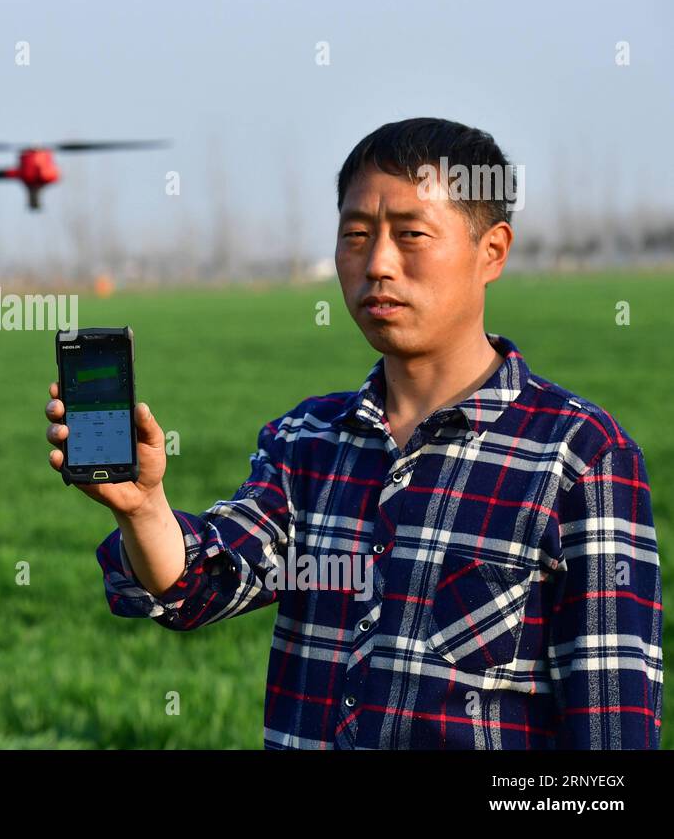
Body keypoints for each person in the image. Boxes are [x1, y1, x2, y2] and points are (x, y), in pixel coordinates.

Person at [44, 118, 662, 749]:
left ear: (492, 251)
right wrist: (144, 508)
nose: (377, 265)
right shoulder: (306, 440)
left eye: (411, 235)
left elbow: (611, 737)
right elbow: (203, 583)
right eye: (356, 236)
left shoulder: (580, 458)